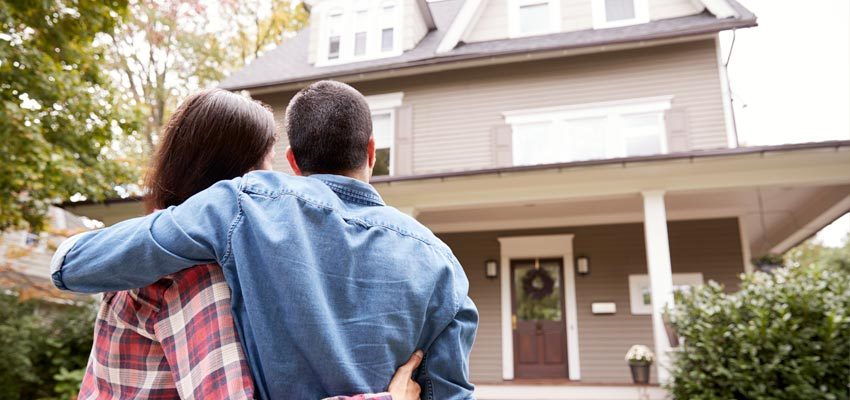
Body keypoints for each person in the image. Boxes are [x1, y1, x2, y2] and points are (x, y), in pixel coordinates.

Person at [52, 81, 478, 399]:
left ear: (292, 161)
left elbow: (73, 266)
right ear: (371, 152)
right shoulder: (442, 263)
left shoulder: (240, 208)